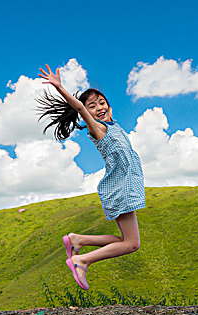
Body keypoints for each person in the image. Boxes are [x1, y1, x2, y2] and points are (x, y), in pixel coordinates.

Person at [36, 64, 145, 290]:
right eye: (91, 107)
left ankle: (78, 240)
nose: (98, 108)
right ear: (86, 115)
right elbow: (78, 107)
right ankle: (81, 260)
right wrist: (60, 88)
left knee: (127, 242)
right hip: (120, 190)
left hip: (123, 189)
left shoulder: (115, 128)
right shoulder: (98, 130)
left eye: (102, 103)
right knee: (132, 244)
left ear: (110, 106)